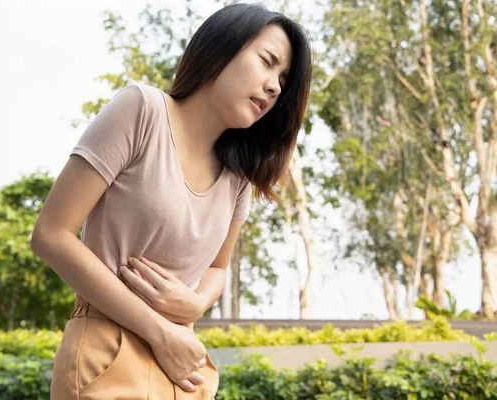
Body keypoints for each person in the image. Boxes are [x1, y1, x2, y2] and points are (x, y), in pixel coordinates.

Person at [30, 2, 312, 399]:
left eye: (283, 79)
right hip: (108, 356)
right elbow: (50, 235)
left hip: (184, 370)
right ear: (221, 47)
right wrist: (160, 331)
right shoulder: (141, 110)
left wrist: (193, 304)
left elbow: (218, 268)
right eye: (268, 62)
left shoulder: (238, 178)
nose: (275, 86)